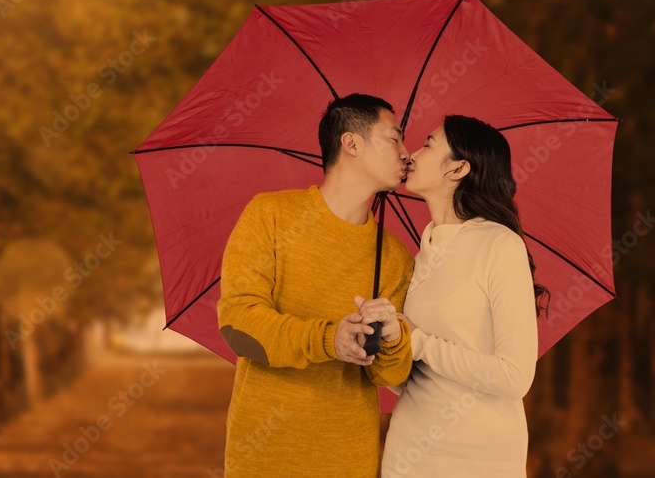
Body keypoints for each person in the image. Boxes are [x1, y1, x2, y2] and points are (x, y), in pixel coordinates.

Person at [216, 93, 414, 477]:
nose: (407, 153)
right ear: (351, 142)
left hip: (348, 459)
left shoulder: (393, 255)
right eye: (394, 138)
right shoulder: (269, 214)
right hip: (264, 456)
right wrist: (329, 340)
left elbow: (390, 376)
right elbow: (238, 323)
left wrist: (390, 339)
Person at [381, 115, 545, 477]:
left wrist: (418, 341)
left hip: (479, 458)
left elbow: (515, 376)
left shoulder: (498, 245)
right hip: (409, 454)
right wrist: (385, 343)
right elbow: (414, 379)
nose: (412, 155)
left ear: (458, 168)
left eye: (427, 144)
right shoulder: (421, 254)